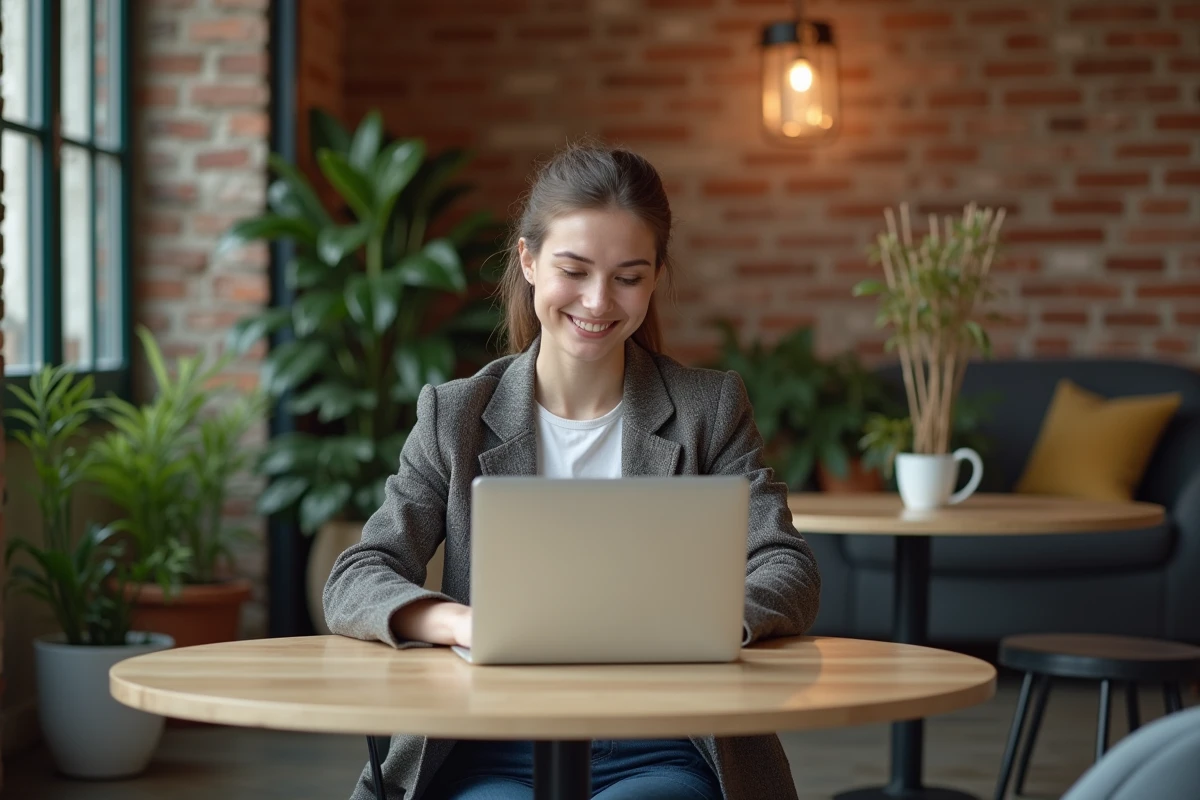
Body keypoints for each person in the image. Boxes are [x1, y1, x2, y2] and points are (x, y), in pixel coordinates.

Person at [323, 143, 822, 800]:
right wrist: (461, 624)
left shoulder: (708, 408)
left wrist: (698, 625)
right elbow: (356, 578)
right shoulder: (456, 415)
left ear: (654, 279)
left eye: (628, 276)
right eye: (574, 269)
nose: (597, 301)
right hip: (490, 744)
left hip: (663, 744)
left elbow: (787, 565)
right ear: (528, 261)